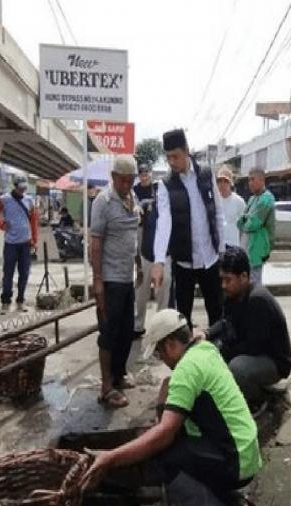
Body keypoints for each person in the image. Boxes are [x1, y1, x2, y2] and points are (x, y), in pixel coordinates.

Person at [82, 309, 262, 504]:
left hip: (236, 462)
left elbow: (164, 435)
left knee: (164, 455)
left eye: (160, 353)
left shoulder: (187, 369)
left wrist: (111, 458)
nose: (163, 360)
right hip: (247, 452)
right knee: (168, 435)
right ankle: (219, 494)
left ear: (170, 344)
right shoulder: (205, 349)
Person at [151, 129, 226, 328]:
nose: (172, 162)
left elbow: (218, 213)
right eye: (168, 158)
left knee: (218, 314)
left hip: (210, 259)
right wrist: (159, 261)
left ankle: (217, 354)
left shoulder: (206, 174)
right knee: (182, 319)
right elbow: (163, 223)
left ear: (186, 150)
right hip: (184, 263)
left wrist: (222, 251)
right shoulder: (166, 185)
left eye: (175, 156)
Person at [205, 247, 291, 408]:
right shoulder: (233, 294)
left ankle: (259, 400)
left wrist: (221, 353)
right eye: (221, 280)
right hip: (252, 351)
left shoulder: (257, 301)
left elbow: (254, 347)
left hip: (272, 360)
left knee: (237, 368)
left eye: (228, 280)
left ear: (244, 277)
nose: (223, 285)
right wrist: (206, 334)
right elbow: (224, 322)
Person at [90, 155, 141, 409]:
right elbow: (95, 244)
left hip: (127, 277)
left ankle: (119, 375)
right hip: (110, 280)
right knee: (108, 333)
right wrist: (97, 281)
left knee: (126, 331)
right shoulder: (102, 201)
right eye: (123, 180)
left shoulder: (132, 199)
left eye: (131, 181)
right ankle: (106, 387)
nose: (127, 185)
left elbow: (134, 235)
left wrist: (139, 266)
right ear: (113, 178)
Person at [0, 175, 39, 314]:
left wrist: (34, 240)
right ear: (15, 186)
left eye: (24, 188)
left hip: (26, 243)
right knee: (8, 273)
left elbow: (34, 222)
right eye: (20, 188)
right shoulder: (4, 200)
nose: (22, 190)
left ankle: (21, 300)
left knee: (24, 273)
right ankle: (5, 302)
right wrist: (1, 225)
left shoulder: (29, 200)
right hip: (11, 243)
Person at [133, 163, 172, 336]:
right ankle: (138, 325)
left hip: (165, 258)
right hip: (147, 256)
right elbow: (136, 212)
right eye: (158, 191)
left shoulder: (172, 208)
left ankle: (160, 330)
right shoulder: (147, 204)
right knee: (141, 293)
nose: (160, 194)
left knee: (164, 292)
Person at [237, 168, 275, 286]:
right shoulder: (252, 199)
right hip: (246, 248)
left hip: (257, 249)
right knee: (245, 283)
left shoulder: (266, 199)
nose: (250, 183)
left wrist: (246, 219)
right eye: (249, 180)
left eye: (253, 179)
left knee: (254, 284)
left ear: (262, 180)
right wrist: (246, 219)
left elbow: (252, 224)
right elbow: (239, 222)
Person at [216, 166, 246, 247]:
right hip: (217, 247)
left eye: (226, 181)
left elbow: (244, 227)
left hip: (234, 246)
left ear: (231, 183)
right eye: (219, 181)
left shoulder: (239, 201)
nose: (222, 184)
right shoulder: (214, 201)